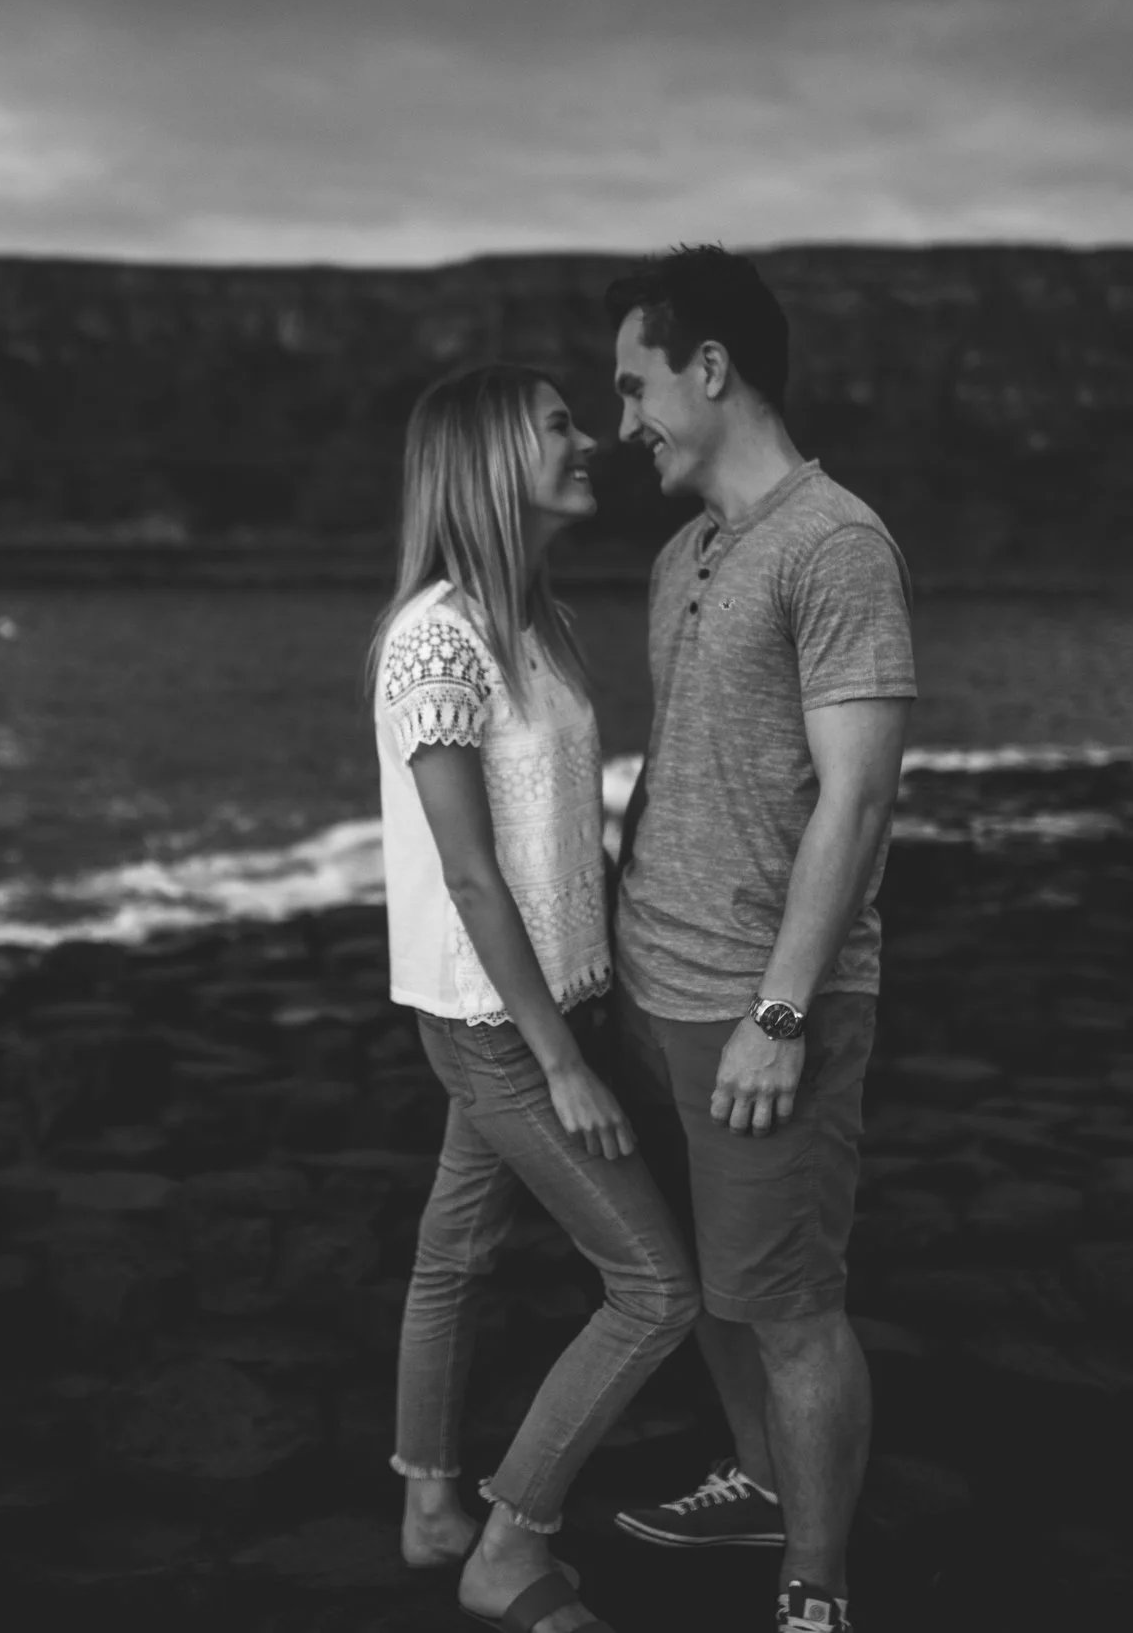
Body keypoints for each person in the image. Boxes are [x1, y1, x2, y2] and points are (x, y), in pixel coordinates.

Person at [601, 248, 917, 1633]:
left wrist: (782, 1014)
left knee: (789, 1302)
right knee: (709, 1288)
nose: (625, 424)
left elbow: (858, 794)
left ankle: (816, 1586)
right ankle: (756, 1480)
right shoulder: (682, 553)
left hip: (760, 1010)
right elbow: (684, 772)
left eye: (637, 386)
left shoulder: (838, 542)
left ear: (711, 368)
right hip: (651, 988)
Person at [371, 363, 698, 1633]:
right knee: (656, 1291)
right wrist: (562, 1058)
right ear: (491, 462)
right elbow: (469, 870)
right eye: (559, 426)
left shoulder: (538, 623)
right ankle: (509, 1544)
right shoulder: (436, 636)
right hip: (499, 1024)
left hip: (551, 998)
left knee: (454, 1250)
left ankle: (430, 1507)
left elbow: (566, 839)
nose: (590, 445)